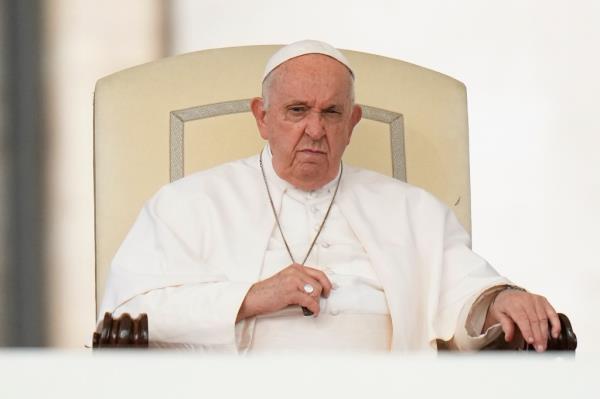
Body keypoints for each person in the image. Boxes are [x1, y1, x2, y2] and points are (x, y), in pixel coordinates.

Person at [99, 40, 561, 353]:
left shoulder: (412, 209)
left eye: (331, 112)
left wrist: (500, 300)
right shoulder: (188, 204)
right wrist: (250, 297)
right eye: (296, 111)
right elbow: (126, 313)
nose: (315, 129)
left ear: (353, 121)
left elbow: (467, 291)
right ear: (262, 117)